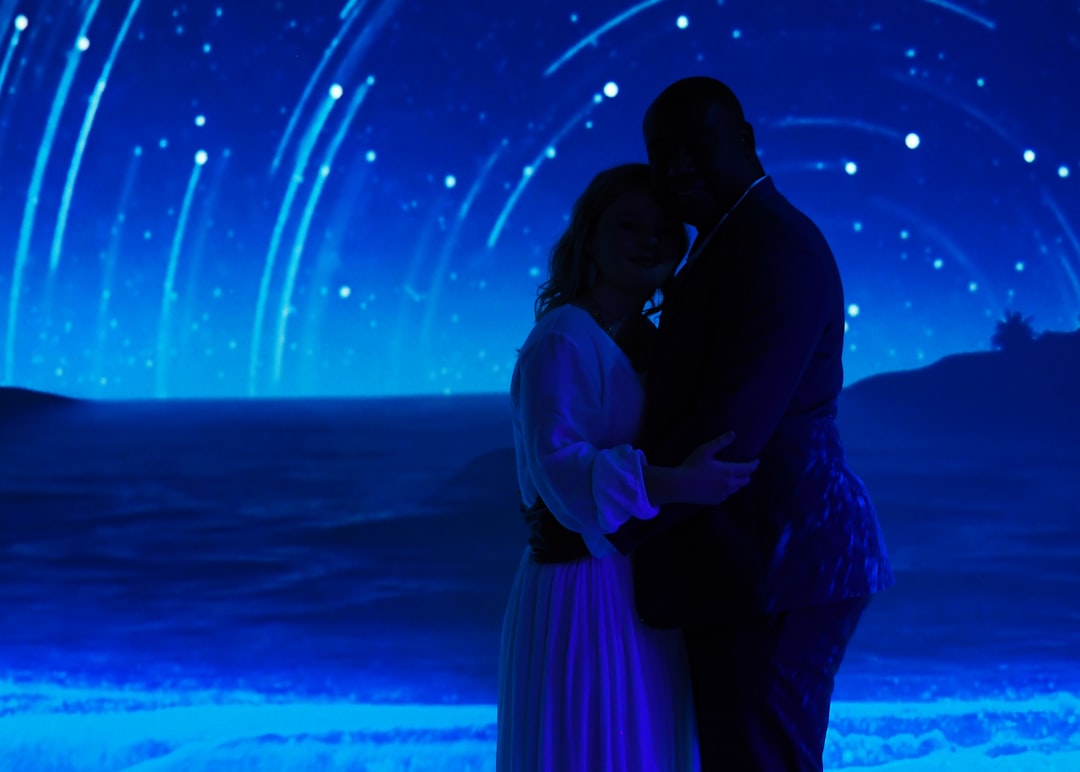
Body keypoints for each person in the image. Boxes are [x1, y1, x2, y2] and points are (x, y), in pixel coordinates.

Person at [606, 77, 895, 770]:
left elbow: (730, 429)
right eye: (661, 154)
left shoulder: (776, 249)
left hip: (779, 568)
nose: (676, 168)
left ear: (744, 141)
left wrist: (607, 515)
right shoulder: (730, 240)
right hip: (755, 566)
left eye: (696, 146)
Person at [497, 162, 759, 771]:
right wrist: (673, 483)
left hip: (641, 583)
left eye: (665, 230)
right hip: (584, 585)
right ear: (589, 237)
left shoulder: (651, 340)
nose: (650, 241)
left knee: (641, 744)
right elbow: (559, 470)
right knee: (595, 745)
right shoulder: (564, 337)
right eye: (629, 226)